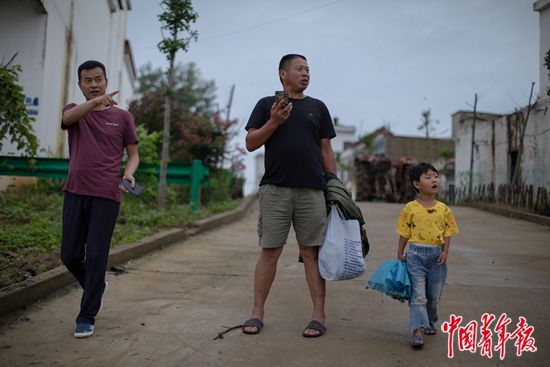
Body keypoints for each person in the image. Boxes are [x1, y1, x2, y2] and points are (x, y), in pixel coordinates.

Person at [243, 54, 337, 338]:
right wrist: (273, 122)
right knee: (270, 251)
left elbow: (326, 151)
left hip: (312, 190)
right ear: (282, 74)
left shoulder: (318, 108)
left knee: (311, 252)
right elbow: (250, 143)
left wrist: (334, 187)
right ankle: (257, 313)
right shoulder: (265, 105)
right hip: (275, 189)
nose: (306, 73)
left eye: (308, 69)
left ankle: (318, 315)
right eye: (299, 69)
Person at [60, 60, 139, 338]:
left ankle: (87, 314)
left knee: (95, 256)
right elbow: (67, 121)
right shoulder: (74, 110)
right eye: (88, 81)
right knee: (68, 254)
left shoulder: (122, 117)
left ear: (106, 80)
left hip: (106, 195)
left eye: (98, 79)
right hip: (75, 191)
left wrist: (128, 175)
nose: (94, 85)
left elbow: (133, 155)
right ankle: (96, 286)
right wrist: (94, 104)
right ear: (80, 84)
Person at [396, 162, 459, 348]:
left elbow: (448, 232)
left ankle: (430, 319)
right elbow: (404, 232)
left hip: (437, 257)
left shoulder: (444, 209)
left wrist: (445, 251)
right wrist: (400, 251)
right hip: (415, 255)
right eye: (428, 177)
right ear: (417, 184)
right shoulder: (410, 208)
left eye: (436, 176)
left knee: (433, 295)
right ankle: (417, 329)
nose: (434, 180)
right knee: (418, 295)